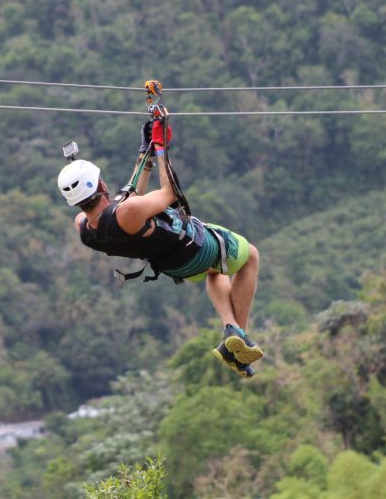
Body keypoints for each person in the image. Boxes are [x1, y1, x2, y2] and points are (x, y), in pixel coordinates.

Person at [57, 119, 264, 378]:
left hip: (174, 266)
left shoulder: (85, 230)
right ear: (101, 186)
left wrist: (146, 153)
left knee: (217, 273)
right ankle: (239, 338)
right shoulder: (128, 213)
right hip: (194, 246)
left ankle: (230, 328)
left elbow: (126, 201)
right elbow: (171, 193)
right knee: (251, 256)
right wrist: (163, 147)